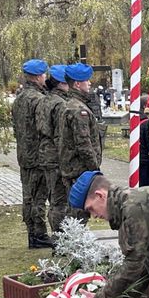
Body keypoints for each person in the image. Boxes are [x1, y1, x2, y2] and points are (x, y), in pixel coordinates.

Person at [12, 59, 54, 248]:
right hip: (38, 156)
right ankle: (39, 234)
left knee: (28, 196)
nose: (45, 77)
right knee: (38, 197)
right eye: (44, 74)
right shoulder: (38, 99)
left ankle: (32, 233)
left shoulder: (20, 98)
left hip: (24, 154)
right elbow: (44, 128)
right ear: (38, 77)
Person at [57, 62, 102, 221]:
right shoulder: (78, 110)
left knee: (75, 212)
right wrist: (95, 168)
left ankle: (71, 242)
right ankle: (73, 243)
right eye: (86, 80)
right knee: (78, 213)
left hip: (75, 168)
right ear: (77, 83)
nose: (90, 83)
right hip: (80, 169)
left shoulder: (72, 105)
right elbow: (83, 144)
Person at [39, 64, 70, 234]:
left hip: (45, 154)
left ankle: (59, 235)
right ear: (61, 83)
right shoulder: (60, 104)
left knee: (54, 199)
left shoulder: (45, 99)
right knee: (59, 201)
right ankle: (61, 238)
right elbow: (60, 134)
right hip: (57, 156)